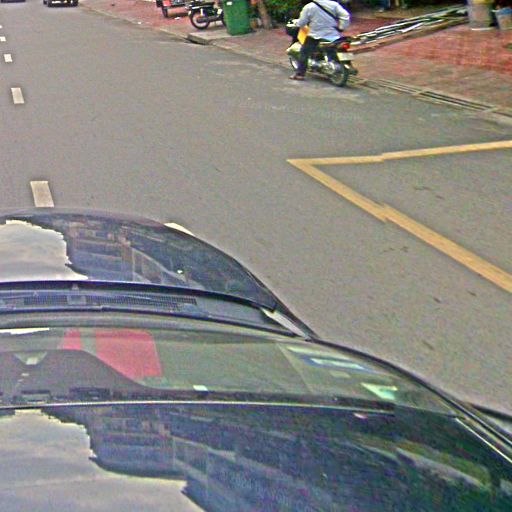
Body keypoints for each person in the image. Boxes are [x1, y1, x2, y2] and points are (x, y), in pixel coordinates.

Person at [290, 0, 350, 81]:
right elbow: (345, 16)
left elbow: (302, 22)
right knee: (332, 49)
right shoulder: (334, 4)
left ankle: (300, 74)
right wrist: (342, 27)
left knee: (304, 52)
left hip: (315, 35)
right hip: (333, 35)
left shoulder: (309, 7)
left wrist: (297, 24)